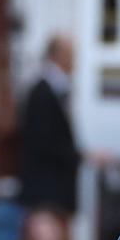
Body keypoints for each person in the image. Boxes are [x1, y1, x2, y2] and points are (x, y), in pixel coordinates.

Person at [18, 34, 82, 215]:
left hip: (55, 188)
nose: (75, 61)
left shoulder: (57, 89)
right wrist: (79, 156)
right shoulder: (42, 92)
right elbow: (44, 140)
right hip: (46, 189)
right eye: (71, 54)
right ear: (59, 55)